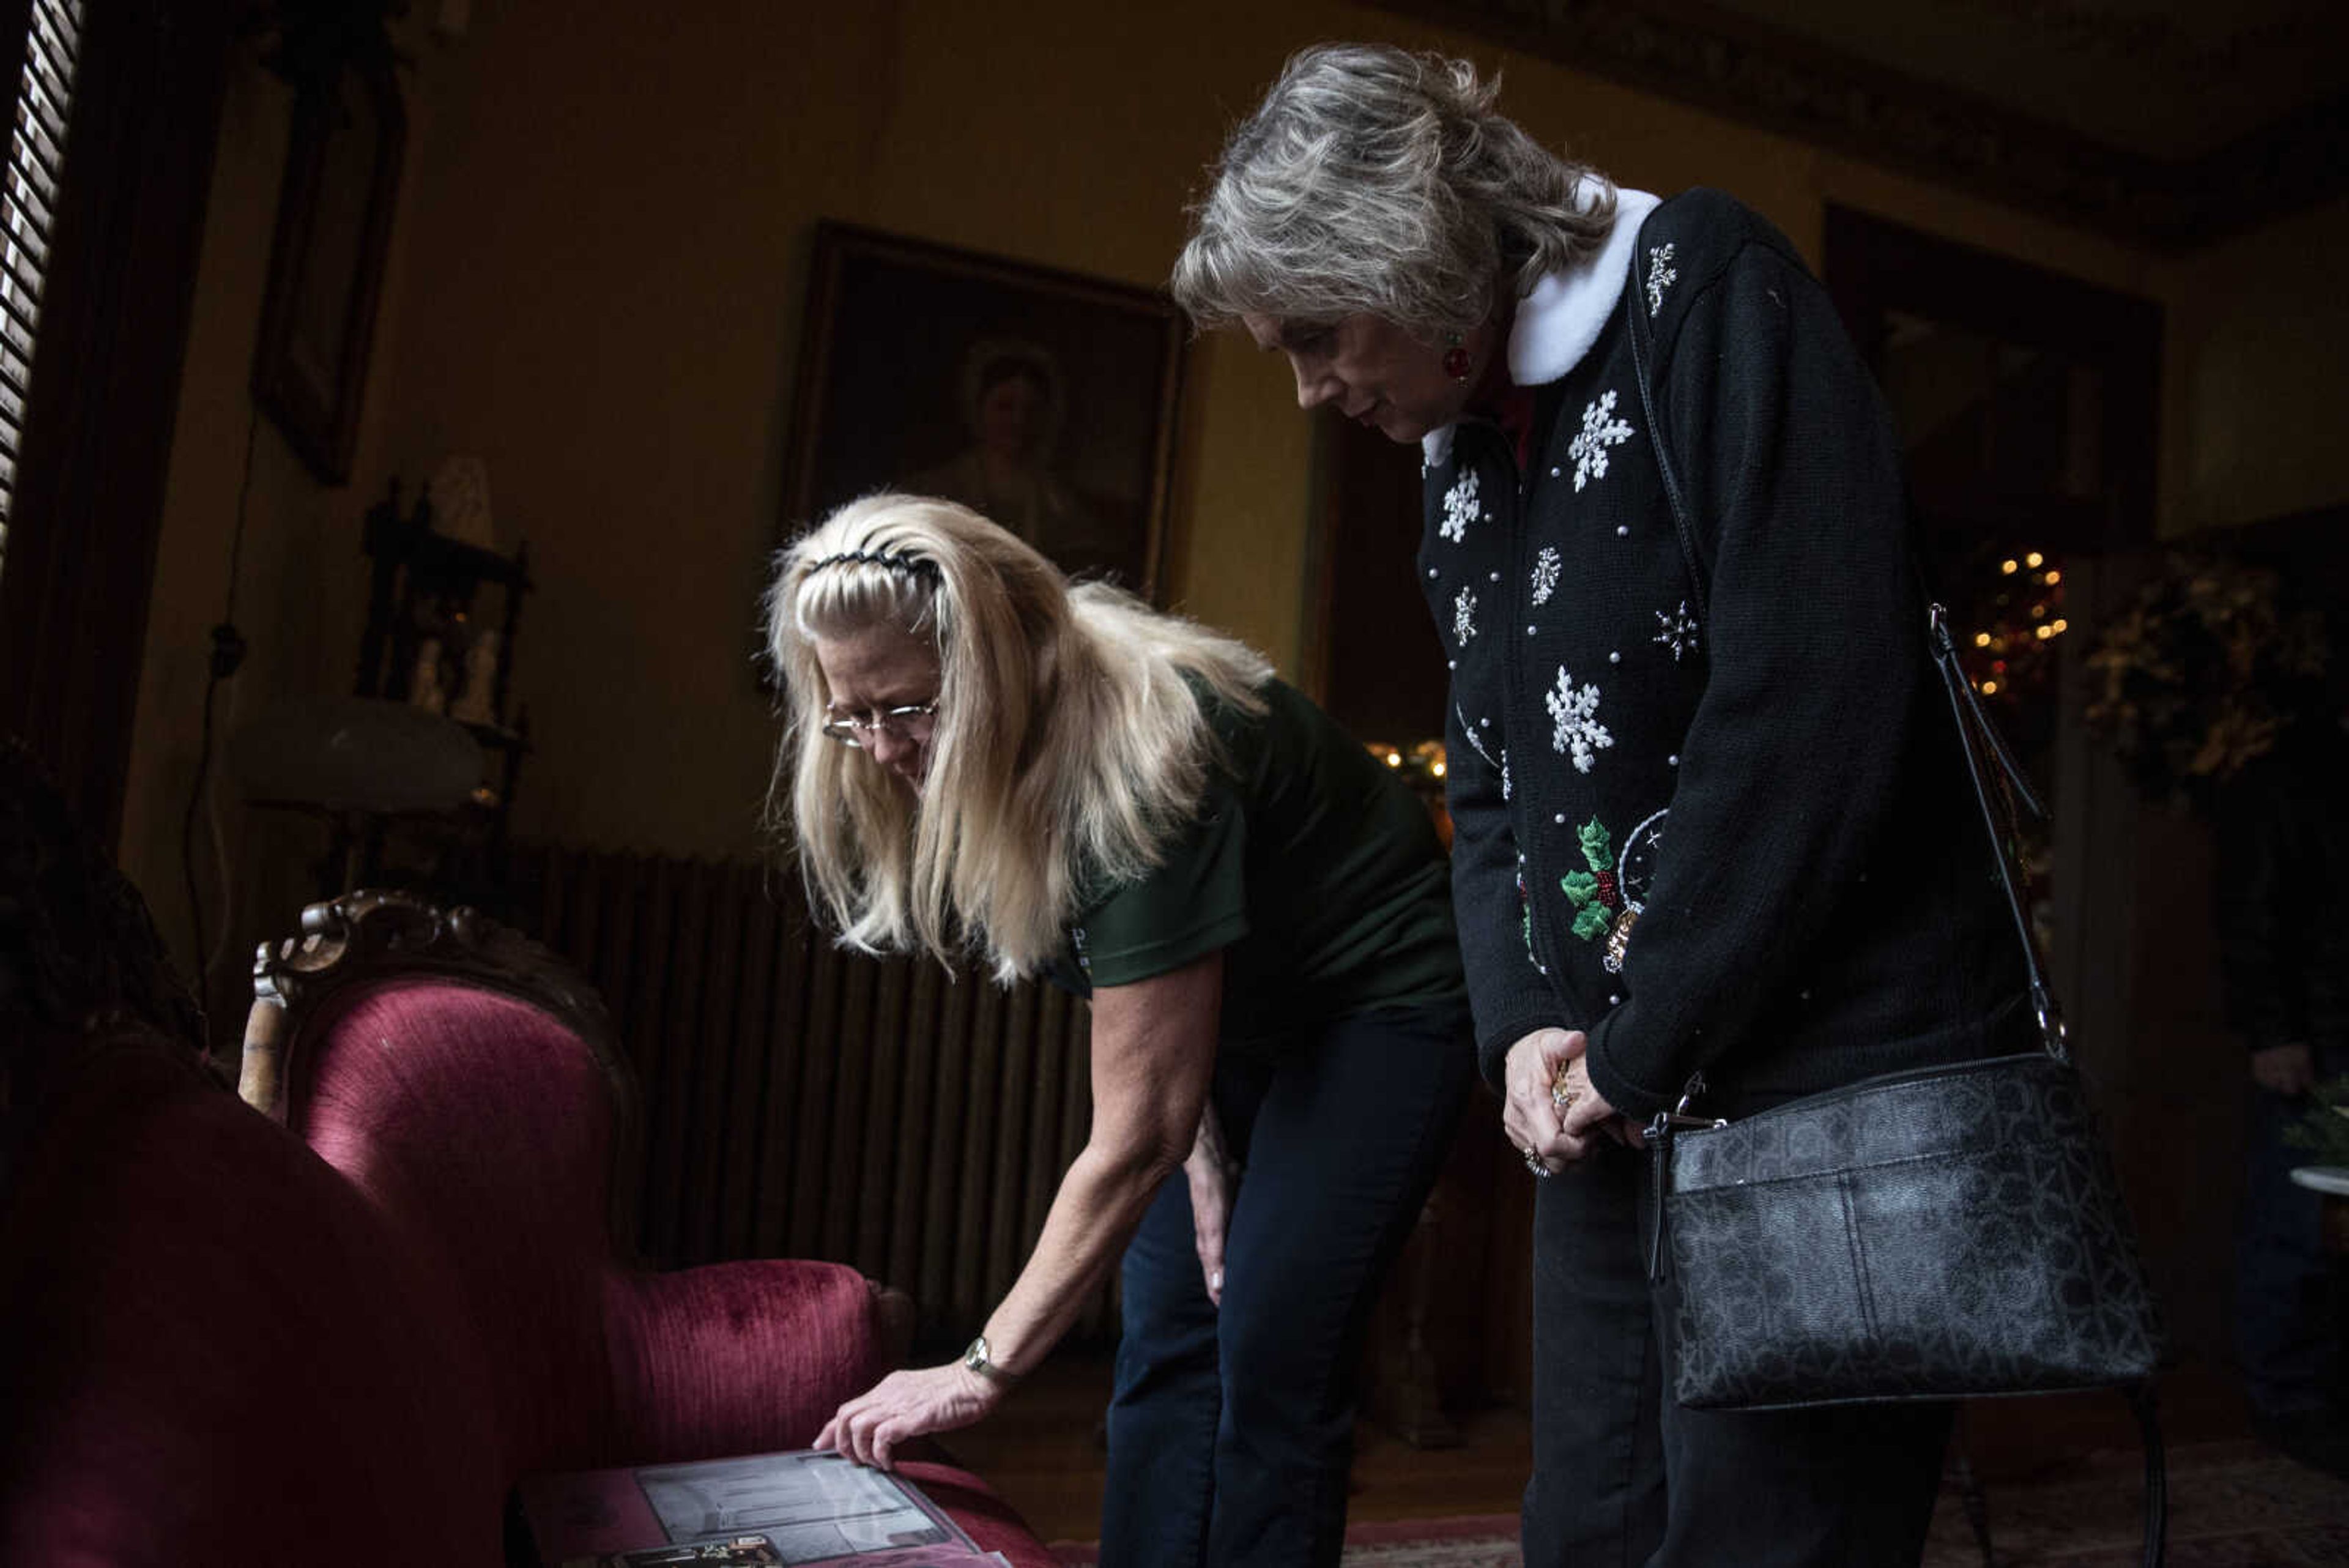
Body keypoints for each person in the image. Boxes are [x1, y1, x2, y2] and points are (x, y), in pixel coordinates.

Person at [1173, 44, 2033, 1566]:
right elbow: (1490, 777)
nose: (1312, 389)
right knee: (1588, 1528)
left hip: (1817, 1093)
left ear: (1414, 252)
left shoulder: (1703, 289)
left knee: (1774, 1541)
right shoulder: (1453, 445)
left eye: (1316, 334)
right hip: (1610, 1102)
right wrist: (1522, 1033)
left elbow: (1816, 702)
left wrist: (1637, 1042)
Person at [766, 492, 1474, 1567]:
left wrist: (978, 1369)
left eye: (906, 709)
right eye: (847, 716)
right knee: (1170, 1332)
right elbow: (1136, 1018)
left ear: (995, 664)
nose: (879, 749)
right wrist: (1194, 1146)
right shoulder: (959, 765)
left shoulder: (1135, 756)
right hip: (1229, 1009)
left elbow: (1133, 1127)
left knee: (1275, 1339)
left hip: (1381, 996)